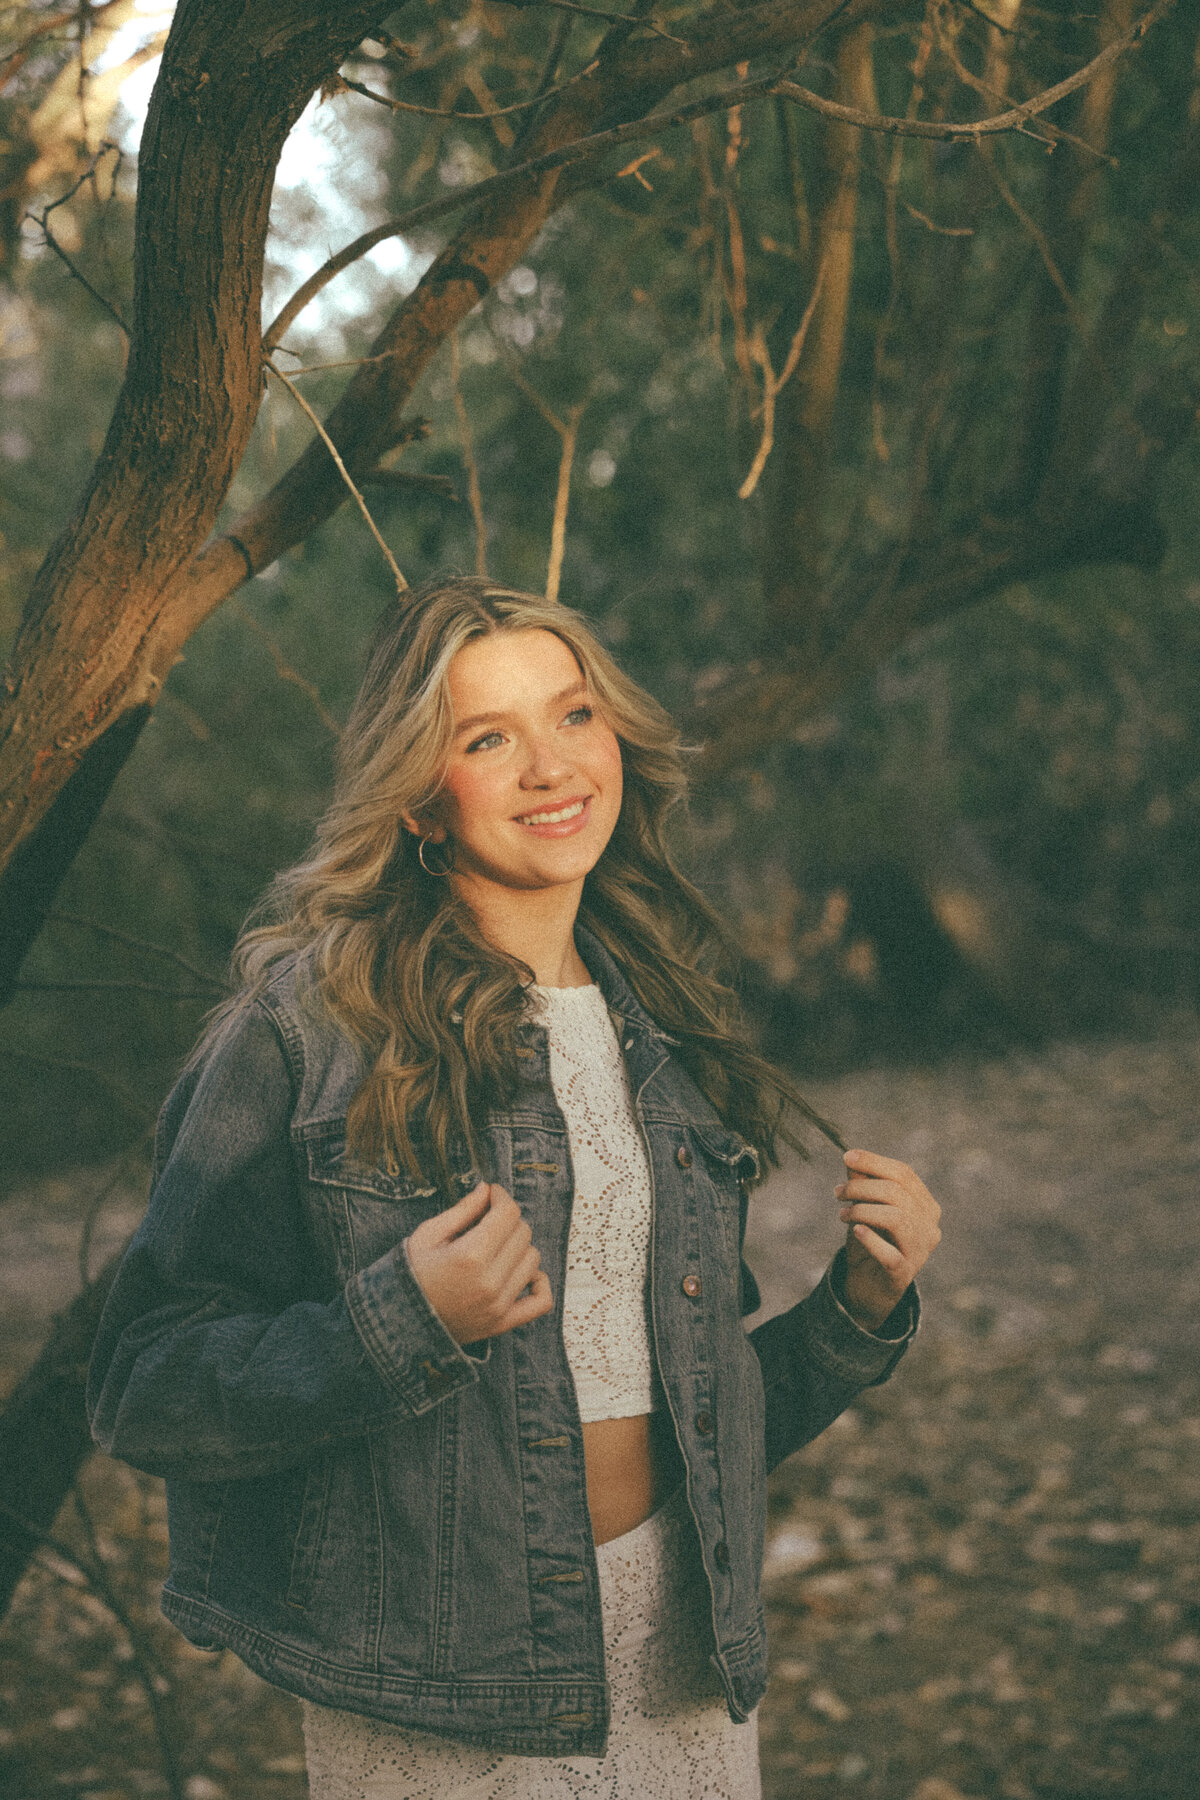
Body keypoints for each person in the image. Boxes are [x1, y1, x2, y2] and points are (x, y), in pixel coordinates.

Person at [87, 577, 942, 1799]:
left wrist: (858, 1308)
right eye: (489, 739)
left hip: (680, 1658)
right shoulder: (308, 1032)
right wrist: (399, 1321)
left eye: (574, 716)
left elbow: (706, 1421)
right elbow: (140, 1386)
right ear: (420, 799)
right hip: (441, 1685)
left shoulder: (666, 1034)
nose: (552, 768)